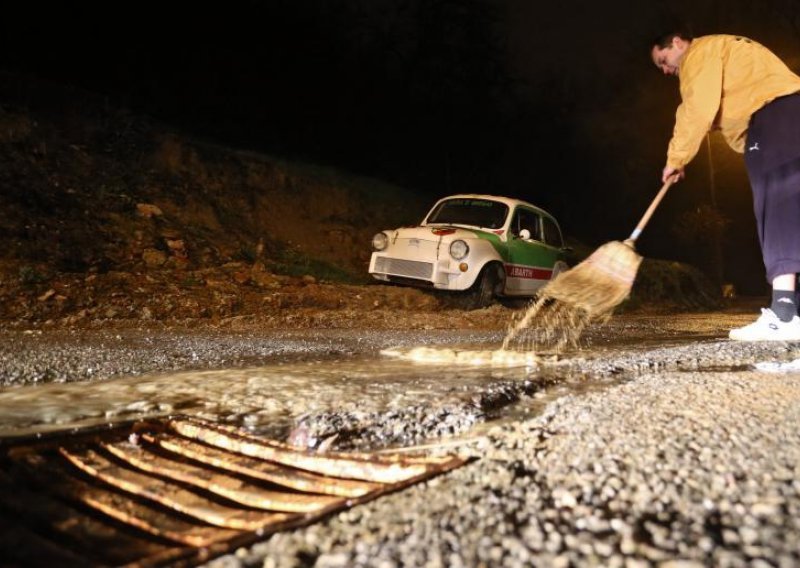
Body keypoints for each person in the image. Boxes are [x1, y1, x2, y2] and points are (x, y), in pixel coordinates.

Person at [651, 31, 800, 340]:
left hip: (773, 118)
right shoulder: (725, 48)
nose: (665, 71)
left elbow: (696, 108)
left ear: (677, 43)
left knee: (777, 209)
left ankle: (785, 315)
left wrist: (676, 158)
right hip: (790, 113)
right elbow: (719, 108)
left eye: (663, 61)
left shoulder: (699, 54)